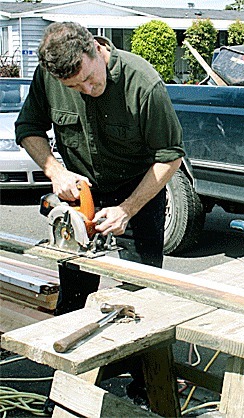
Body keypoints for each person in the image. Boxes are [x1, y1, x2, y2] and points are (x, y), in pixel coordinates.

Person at [15, 21, 184, 403]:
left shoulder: (143, 83)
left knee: (143, 294)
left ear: (95, 49)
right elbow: (28, 128)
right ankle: (64, 391)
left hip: (137, 192)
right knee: (74, 295)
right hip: (80, 192)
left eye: (90, 80)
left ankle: (149, 388)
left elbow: (169, 156)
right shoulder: (49, 77)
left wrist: (127, 209)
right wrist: (55, 171)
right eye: (76, 88)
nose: (87, 90)